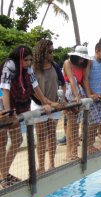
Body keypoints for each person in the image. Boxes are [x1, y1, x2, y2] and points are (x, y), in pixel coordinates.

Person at [0, 45, 52, 188]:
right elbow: (4, 89)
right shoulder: (10, 65)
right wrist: (9, 113)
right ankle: (3, 177)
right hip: (3, 105)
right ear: (19, 58)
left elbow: (35, 87)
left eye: (30, 60)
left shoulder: (27, 69)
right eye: (26, 60)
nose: (29, 63)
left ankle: (4, 174)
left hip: (12, 106)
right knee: (2, 142)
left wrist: (45, 103)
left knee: (17, 140)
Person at [32, 39, 65, 174]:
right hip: (38, 105)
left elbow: (63, 82)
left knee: (51, 135)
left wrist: (62, 98)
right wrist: (46, 103)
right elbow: (32, 90)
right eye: (50, 51)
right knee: (41, 137)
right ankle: (41, 166)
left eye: (53, 51)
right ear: (42, 52)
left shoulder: (55, 66)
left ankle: (51, 163)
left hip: (55, 104)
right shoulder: (33, 68)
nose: (52, 53)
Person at [63, 45, 91, 160]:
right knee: (71, 124)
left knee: (76, 125)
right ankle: (70, 153)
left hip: (79, 93)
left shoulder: (83, 65)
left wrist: (89, 95)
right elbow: (71, 80)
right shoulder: (67, 63)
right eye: (80, 57)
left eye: (84, 58)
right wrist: (76, 96)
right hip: (69, 93)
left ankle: (73, 151)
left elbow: (84, 81)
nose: (82, 59)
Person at [82, 41, 101, 152]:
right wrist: (90, 94)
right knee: (92, 122)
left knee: (98, 121)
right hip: (91, 97)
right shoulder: (90, 60)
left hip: (99, 96)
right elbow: (85, 78)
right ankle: (88, 146)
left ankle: (91, 144)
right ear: (97, 51)